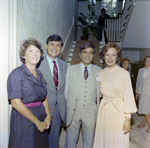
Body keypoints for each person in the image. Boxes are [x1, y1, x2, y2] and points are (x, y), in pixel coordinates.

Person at [7, 38, 51, 148]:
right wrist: (37, 122)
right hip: (24, 120)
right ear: (23, 55)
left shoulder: (40, 74)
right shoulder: (16, 74)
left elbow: (43, 97)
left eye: (38, 51)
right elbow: (16, 103)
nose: (35, 54)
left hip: (41, 117)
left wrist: (48, 116)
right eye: (31, 50)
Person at [93, 43, 137, 148]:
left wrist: (128, 118)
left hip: (118, 111)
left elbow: (128, 96)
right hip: (104, 110)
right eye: (107, 55)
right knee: (104, 138)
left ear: (117, 57)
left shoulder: (124, 73)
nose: (110, 58)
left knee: (118, 139)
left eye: (113, 55)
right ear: (103, 56)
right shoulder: (101, 73)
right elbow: (98, 93)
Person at [65, 42, 102, 148]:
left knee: (89, 141)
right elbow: (66, 91)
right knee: (70, 141)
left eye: (90, 53)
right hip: (74, 111)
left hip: (90, 111)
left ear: (93, 55)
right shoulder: (70, 69)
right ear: (80, 54)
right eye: (84, 52)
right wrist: (69, 106)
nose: (87, 55)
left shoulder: (98, 71)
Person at [38, 34, 67, 148]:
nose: (55, 47)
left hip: (58, 110)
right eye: (52, 44)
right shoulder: (38, 63)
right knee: (40, 140)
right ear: (46, 46)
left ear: (61, 48)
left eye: (58, 45)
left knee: (54, 140)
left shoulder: (64, 65)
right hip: (42, 109)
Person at [135, 56, 150, 133]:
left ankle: (148, 125)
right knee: (145, 109)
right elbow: (138, 81)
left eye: (149, 61)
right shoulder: (141, 70)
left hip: (149, 93)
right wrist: (137, 91)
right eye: (146, 60)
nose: (147, 62)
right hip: (142, 92)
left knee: (146, 109)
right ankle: (143, 123)